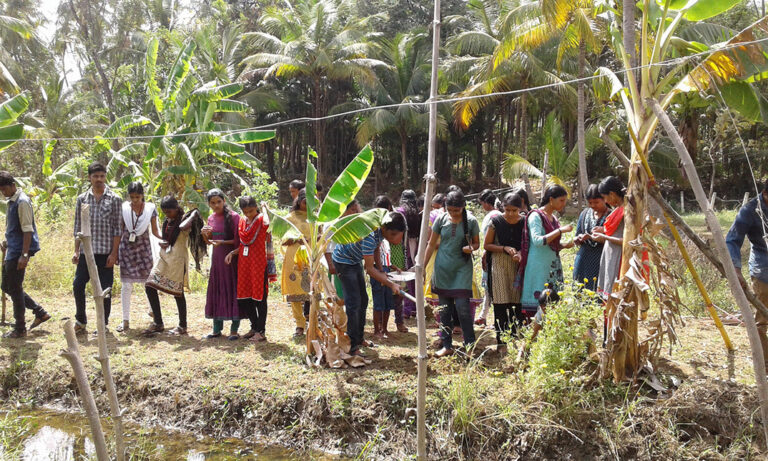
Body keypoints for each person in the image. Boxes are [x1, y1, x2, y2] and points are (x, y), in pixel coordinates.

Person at [332, 211, 405, 356]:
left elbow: (376, 249)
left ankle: (359, 338)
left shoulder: (379, 231)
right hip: (344, 261)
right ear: (385, 229)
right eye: (394, 234)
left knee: (363, 300)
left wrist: (381, 269)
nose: (396, 238)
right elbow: (369, 269)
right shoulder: (370, 236)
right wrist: (391, 284)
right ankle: (352, 346)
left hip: (354, 261)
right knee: (353, 303)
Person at [424, 190, 480, 357]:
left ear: (463, 207)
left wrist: (471, 248)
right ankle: (447, 345)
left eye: (457, 210)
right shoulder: (441, 219)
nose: (453, 213)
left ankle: (469, 346)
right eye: (450, 210)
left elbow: (477, 244)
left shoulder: (471, 221)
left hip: (462, 269)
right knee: (444, 310)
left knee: (463, 309)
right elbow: (431, 244)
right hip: (442, 269)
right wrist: (421, 267)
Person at [72, 162, 122, 334]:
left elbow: (117, 229)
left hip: (106, 253)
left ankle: (103, 324)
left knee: (105, 290)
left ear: (105, 177)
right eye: (95, 176)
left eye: (102, 176)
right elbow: (78, 226)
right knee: (78, 285)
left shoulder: (114, 199)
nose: (99, 179)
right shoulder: (82, 199)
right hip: (87, 252)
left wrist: (114, 253)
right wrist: (76, 250)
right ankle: (81, 320)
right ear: (89, 178)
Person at [143, 196, 204, 335]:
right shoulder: (167, 221)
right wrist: (164, 242)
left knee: (177, 292)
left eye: (169, 212)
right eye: (165, 212)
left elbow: (182, 227)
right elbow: (167, 238)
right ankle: (158, 322)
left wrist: (193, 214)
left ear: (176, 208)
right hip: (164, 258)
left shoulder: (185, 220)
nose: (167, 215)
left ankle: (182, 325)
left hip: (178, 260)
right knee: (149, 286)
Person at [0, 172, 49, 338]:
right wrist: (7, 242)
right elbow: (15, 228)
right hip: (13, 249)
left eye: (4, 189)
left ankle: (20, 328)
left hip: (19, 251)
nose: (3, 193)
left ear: (12, 185)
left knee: (15, 288)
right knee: (7, 286)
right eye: (1, 190)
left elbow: (27, 230)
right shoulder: (12, 201)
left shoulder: (22, 202)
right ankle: (39, 311)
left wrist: (25, 254)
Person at [727, 180, 768, 370]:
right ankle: (764, 363)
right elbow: (732, 240)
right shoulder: (750, 211)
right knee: (762, 320)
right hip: (763, 271)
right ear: (765, 194)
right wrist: (736, 269)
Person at [520, 185, 573, 315]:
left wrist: (564, 245)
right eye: (561, 200)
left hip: (552, 266)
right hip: (538, 266)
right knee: (538, 301)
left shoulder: (553, 218)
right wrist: (560, 231)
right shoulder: (536, 216)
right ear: (551, 199)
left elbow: (552, 244)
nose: (563, 204)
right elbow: (538, 240)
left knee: (553, 303)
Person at [483, 193, 527, 347]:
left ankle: (516, 338)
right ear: (503, 208)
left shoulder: (525, 221)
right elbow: (487, 245)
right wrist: (504, 248)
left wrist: (520, 253)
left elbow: (528, 243)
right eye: (507, 210)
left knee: (517, 302)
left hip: (518, 265)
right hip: (499, 263)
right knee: (500, 301)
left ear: (520, 209)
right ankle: (501, 341)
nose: (510, 214)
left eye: (514, 210)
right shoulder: (496, 221)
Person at [117, 182, 161, 333]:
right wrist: (115, 252)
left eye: (138, 197)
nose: (135, 200)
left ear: (143, 195)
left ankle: (153, 312)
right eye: (132, 197)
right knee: (126, 285)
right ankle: (125, 320)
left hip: (144, 248)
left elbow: (155, 231)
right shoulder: (124, 209)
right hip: (126, 249)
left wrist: (166, 240)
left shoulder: (150, 209)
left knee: (148, 283)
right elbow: (120, 230)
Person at [225, 196, 270, 342]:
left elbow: (267, 223)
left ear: (256, 207)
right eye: (246, 212)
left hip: (258, 264)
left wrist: (264, 209)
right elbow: (244, 244)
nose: (249, 214)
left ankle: (261, 331)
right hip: (244, 264)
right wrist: (233, 253)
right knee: (245, 297)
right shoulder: (243, 221)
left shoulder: (261, 219)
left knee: (260, 298)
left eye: (251, 210)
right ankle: (254, 327)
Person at [201, 189, 241, 340]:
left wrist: (223, 242)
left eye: (219, 201)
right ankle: (216, 329)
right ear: (209, 204)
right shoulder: (211, 218)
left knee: (232, 290)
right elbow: (209, 242)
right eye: (213, 203)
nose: (216, 205)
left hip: (231, 259)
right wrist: (204, 235)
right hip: (217, 260)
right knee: (217, 290)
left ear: (224, 201)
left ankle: (234, 330)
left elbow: (239, 241)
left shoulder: (234, 217)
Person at [281, 189, 312, 337]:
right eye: (306, 202)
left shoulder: (316, 218)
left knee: (312, 289)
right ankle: (299, 325)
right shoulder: (290, 218)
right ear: (299, 201)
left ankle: (313, 321)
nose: (308, 205)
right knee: (295, 291)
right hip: (294, 257)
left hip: (312, 257)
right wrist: (297, 239)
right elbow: (283, 240)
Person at [592, 176, 626, 299]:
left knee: (616, 294)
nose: (606, 201)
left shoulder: (627, 211)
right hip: (611, 255)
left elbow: (627, 240)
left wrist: (604, 237)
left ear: (612, 194)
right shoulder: (618, 209)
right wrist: (603, 231)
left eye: (605, 197)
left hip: (620, 256)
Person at [573, 184, 610, 292]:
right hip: (584, 258)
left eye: (596, 202)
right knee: (580, 288)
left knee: (597, 289)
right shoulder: (584, 214)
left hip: (601, 258)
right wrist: (578, 239)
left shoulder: (611, 216)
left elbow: (614, 239)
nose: (593, 205)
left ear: (604, 199)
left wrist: (597, 236)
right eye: (590, 203)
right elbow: (578, 233)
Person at [371, 196, 397, 339]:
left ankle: (385, 329)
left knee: (387, 302)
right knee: (378, 302)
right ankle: (377, 330)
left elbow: (385, 254)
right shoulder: (374, 231)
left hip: (386, 268)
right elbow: (374, 253)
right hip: (377, 270)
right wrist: (381, 270)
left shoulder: (386, 232)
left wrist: (392, 266)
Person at [476, 189, 502, 327]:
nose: (482, 207)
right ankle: (483, 315)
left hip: (491, 254)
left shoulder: (491, 217)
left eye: (482, 204)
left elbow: (488, 239)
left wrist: (485, 254)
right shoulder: (500, 214)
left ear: (486, 203)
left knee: (490, 286)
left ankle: (485, 316)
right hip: (499, 254)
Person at [397, 190, 421, 318]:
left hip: (401, 247)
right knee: (413, 278)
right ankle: (415, 308)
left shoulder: (400, 211)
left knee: (404, 279)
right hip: (415, 247)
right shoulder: (417, 213)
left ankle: (406, 309)